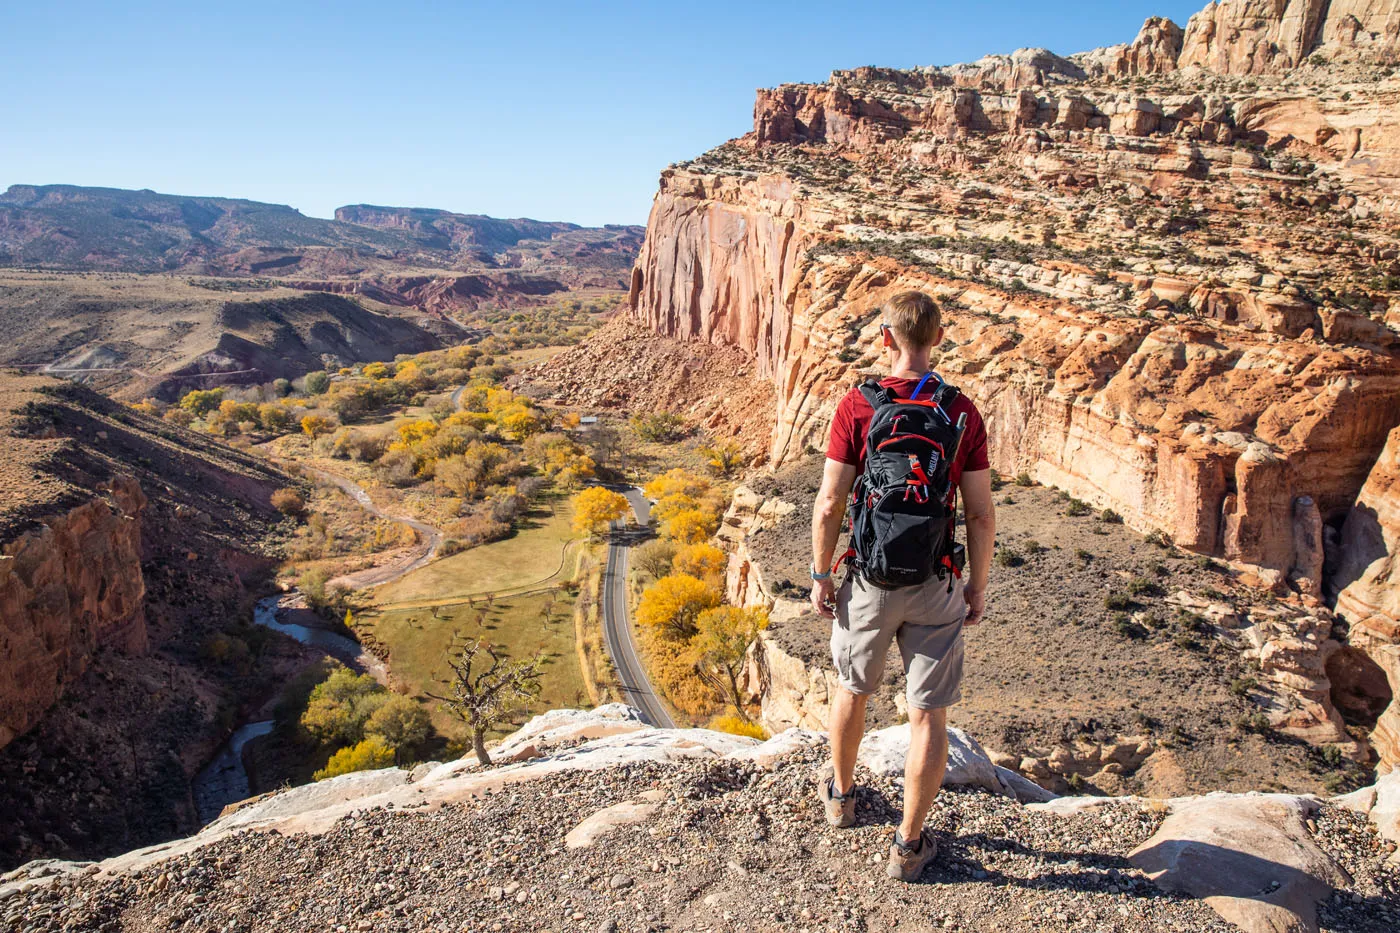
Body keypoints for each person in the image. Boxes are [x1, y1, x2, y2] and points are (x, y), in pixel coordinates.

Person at [809, 290, 995, 882]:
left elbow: (831, 501)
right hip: (937, 580)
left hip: (867, 578)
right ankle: (909, 846)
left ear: (886, 338)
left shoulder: (858, 406)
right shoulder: (962, 411)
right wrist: (978, 587)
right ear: (938, 339)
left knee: (852, 690)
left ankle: (841, 801)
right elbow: (982, 513)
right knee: (927, 717)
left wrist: (820, 575)